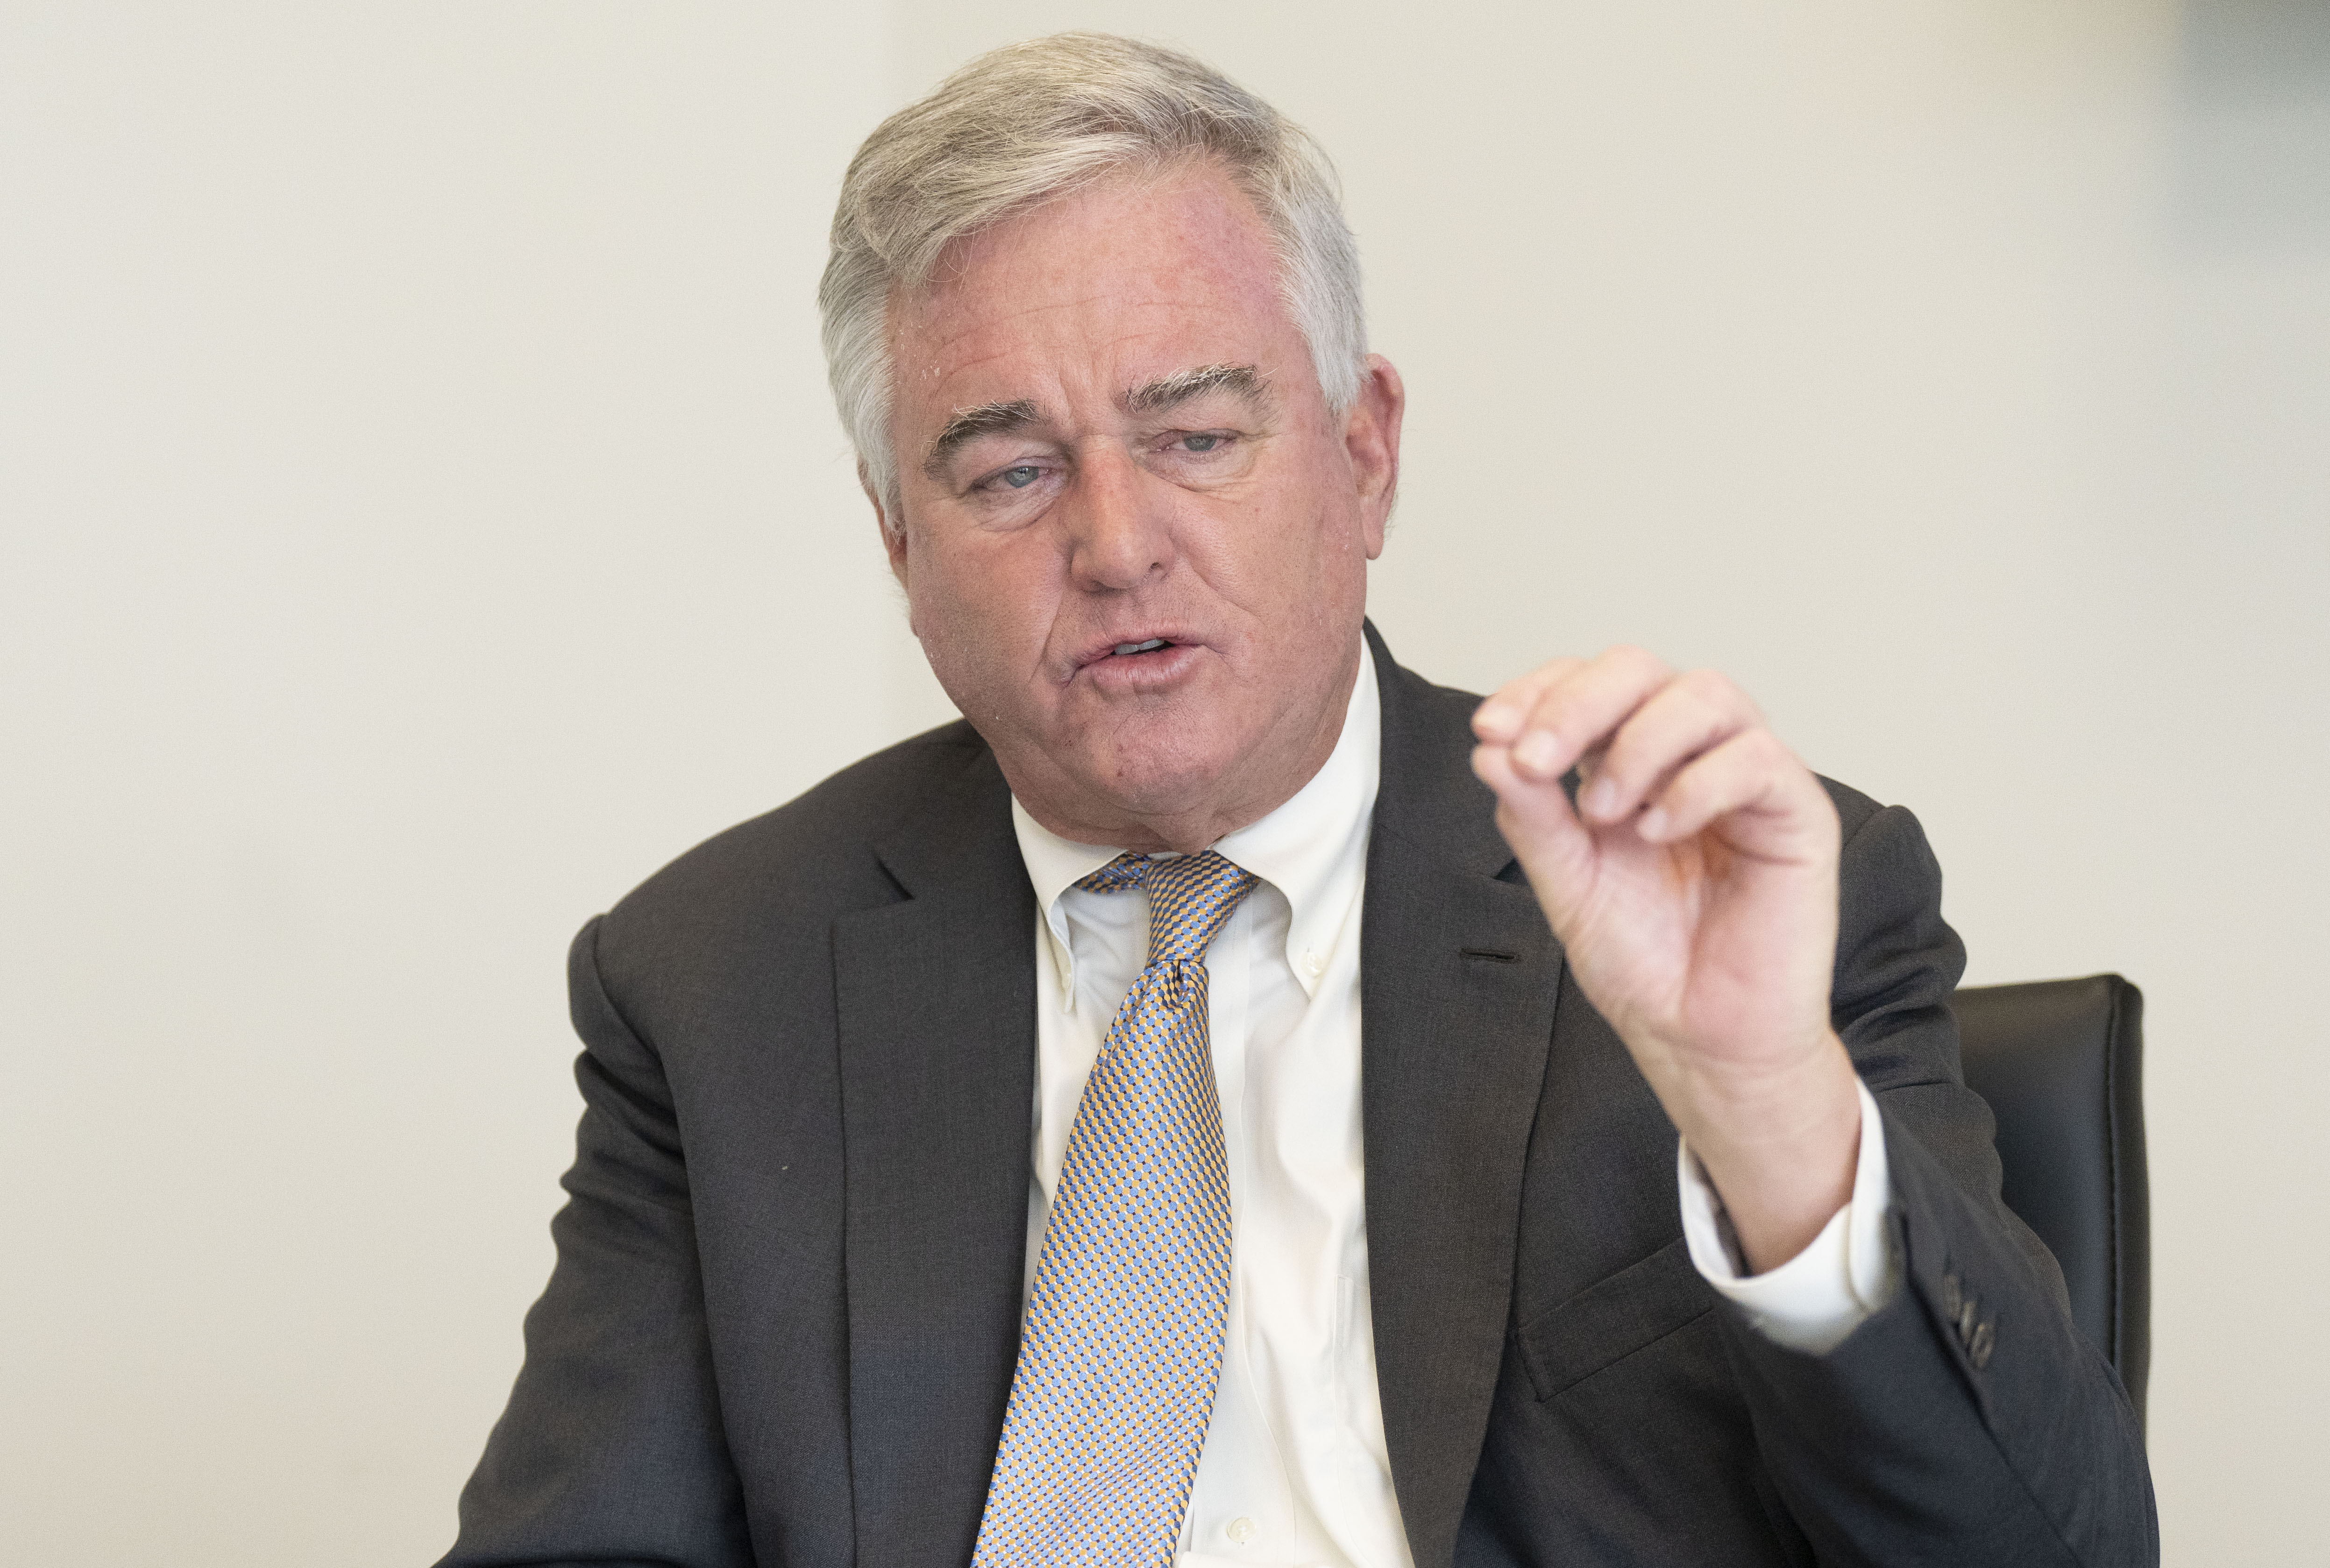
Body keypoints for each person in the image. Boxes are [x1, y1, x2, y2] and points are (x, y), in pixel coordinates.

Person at [440, 32, 2155, 1568]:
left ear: (1365, 452)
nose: (1113, 546)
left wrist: (1764, 1106)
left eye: (1194, 434)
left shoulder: (1715, 889)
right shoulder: (720, 978)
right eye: (1010, 472)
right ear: (900, 544)